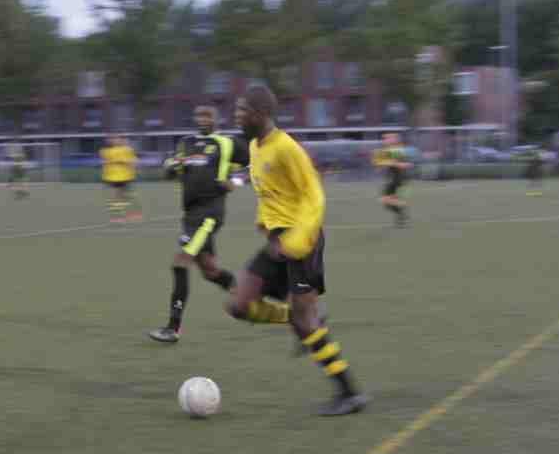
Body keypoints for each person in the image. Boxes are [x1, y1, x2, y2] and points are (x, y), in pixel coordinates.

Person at [224, 86, 369, 416]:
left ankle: (349, 394)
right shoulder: (255, 147)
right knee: (238, 305)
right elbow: (269, 192)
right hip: (277, 243)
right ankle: (294, 316)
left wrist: (297, 241)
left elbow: (314, 196)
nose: (237, 116)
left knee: (307, 324)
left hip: (303, 241)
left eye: (242, 110)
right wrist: (265, 222)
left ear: (261, 114)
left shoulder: (287, 148)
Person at [148, 105, 247, 344]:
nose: (202, 119)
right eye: (199, 116)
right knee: (210, 271)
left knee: (179, 263)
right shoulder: (186, 143)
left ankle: (173, 328)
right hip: (190, 214)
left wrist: (235, 181)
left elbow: (253, 166)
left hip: (209, 213)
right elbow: (170, 170)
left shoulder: (227, 143)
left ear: (217, 119)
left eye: (207, 116)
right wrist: (170, 167)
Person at [371, 133, 411, 226]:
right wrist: (380, 162)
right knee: (387, 203)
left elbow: (401, 164)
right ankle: (400, 216)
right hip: (394, 178)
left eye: (387, 139)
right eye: (384, 139)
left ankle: (401, 207)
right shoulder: (389, 150)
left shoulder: (396, 149)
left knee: (384, 199)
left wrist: (387, 162)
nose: (384, 141)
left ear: (394, 140)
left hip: (396, 178)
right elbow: (380, 162)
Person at [99, 136, 141, 223]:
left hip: (125, 176)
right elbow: (104, 161)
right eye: (113, 139)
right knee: (118, 197)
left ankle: (130, 214)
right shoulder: (106, 151)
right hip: (112, 177)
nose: (114, 141)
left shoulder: (127, 150)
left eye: (117, 139)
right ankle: (120, 216)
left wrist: (126, 163)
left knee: (124, 196)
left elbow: (133, 161)